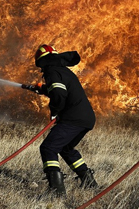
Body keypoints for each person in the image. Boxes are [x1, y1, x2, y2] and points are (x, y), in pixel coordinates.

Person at [34, 44, 98, 196]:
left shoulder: (52, 70)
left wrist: (55, 111)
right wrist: (42, 89)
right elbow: (59, 89)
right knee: (66, 148)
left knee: (48, 148)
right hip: (86, 118)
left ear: (43, 61)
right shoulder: (62, 70)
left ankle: (57, 192)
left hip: (73, 118)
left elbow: (58, 93)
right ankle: (89, 182)